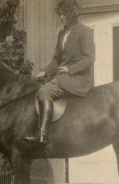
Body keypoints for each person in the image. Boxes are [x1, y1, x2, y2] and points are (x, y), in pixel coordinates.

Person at [24, 0, 95, 145]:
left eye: (65, 14)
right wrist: (44, 72)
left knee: (44, 92)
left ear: (72, 14)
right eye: (60, 14)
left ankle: (42, 134)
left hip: (79, 78)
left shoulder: (84, 31)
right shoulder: (62, 33)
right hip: (64, 77)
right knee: (39, 86)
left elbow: (89, 58)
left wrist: (70, 69)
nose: (61, 17)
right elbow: (56, 60)